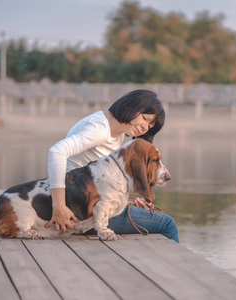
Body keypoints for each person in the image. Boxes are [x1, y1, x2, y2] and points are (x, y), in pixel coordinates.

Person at [45, 89, 179, 242]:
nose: (145, 127)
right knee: (167, 224)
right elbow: (57, 151)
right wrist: (59, 206)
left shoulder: (116, 132)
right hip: (78, 210)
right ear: (131, 106)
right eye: (145, 118)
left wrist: (126, 202)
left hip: (90, 202)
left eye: (149, 126)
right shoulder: (99, 129)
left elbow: (102, 183)